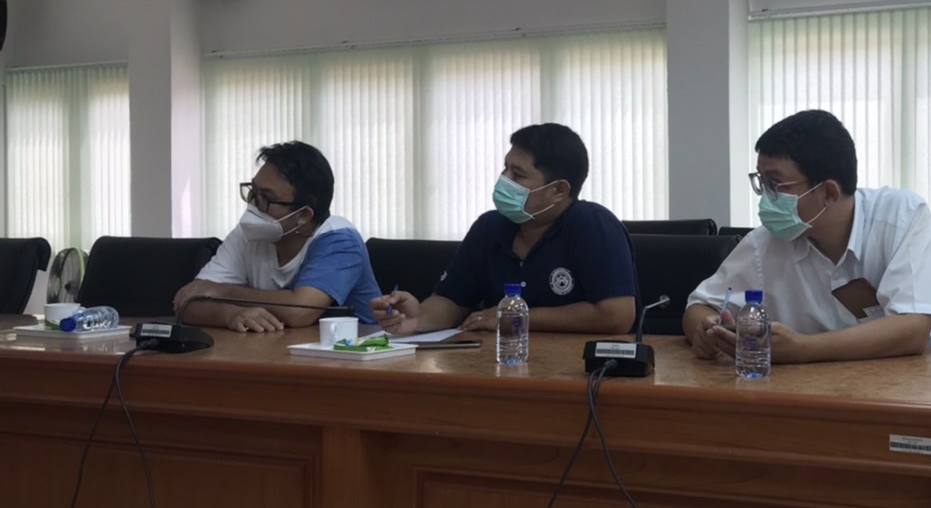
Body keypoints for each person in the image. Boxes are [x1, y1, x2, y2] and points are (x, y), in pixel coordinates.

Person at [684, 109, 931, 362]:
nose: (766, 197)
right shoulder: (765, 242)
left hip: (908, 384)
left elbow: (913, 329)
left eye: (775, 184)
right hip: (804, 387)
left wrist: (802, 348)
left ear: (829, 193)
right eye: (762, 183)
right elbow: (698, 307)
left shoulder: (902, 217)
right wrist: (708, 332)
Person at [372, 123, 637, 336]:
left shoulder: (594, 225)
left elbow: (616, 316)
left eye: (517, 175)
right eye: (505, 168)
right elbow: (453, 300)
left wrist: (514, 317)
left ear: (558, 190)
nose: (503, 180)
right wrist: (419, 318)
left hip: (580, 370)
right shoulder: (489, 227)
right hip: (495, 363)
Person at [173, 141, 380, 332]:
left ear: (303, 215)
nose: (253, 206)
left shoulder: (339, 239)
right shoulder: (249, 232)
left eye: (266, 198)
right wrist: (230, 314)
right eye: (253, 192)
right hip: (275, 349)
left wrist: (221, 292)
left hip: (355, 351)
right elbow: (188, 302)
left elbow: (300, 311)